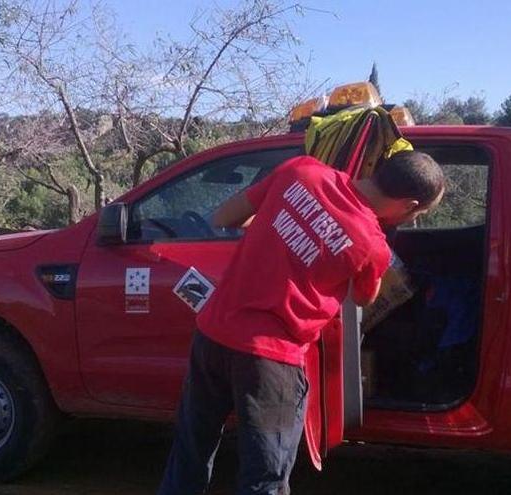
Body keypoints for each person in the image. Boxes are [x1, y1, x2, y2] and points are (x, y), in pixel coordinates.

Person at [158, 151, 445, 495]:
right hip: (271, 361)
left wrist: (281, 227)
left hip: (213, 334)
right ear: (409, 205)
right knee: (265, 476)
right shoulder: (372, 246)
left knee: (191, 448)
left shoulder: (300, 170)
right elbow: (364, 299)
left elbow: (225, 216)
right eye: (419, 214)